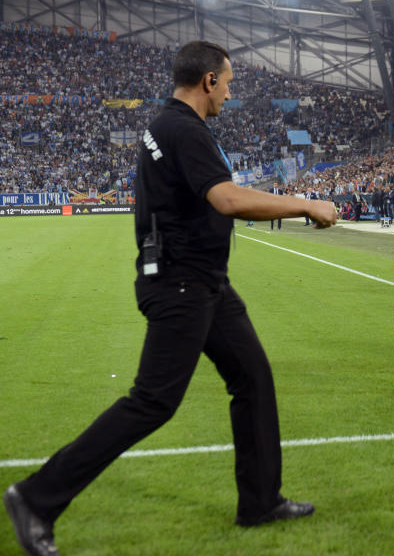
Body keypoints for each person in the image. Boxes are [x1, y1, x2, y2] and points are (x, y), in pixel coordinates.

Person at [3, 41, 339, 556]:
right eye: (227, 82)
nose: (230, 91)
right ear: (208, 81)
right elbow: (226, 199)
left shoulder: (166, 124)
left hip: (203, 282)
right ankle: (35, 497)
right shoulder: (184, 129)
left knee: (252, 379)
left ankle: (260, 501)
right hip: (182, 283)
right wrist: (304, 204)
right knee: (152, 401)